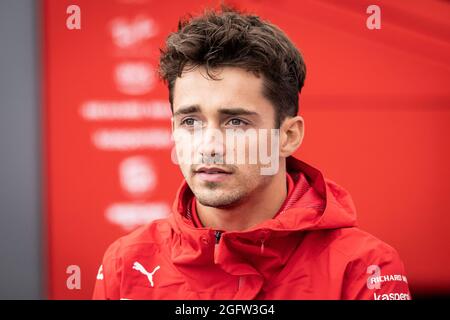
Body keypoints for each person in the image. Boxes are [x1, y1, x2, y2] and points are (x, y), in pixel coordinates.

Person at [93, 6, 411, 300]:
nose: (209, 146)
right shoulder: (126, 264)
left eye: (236, 122)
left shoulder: (365, 268)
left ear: (288, 136)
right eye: (190, 121)